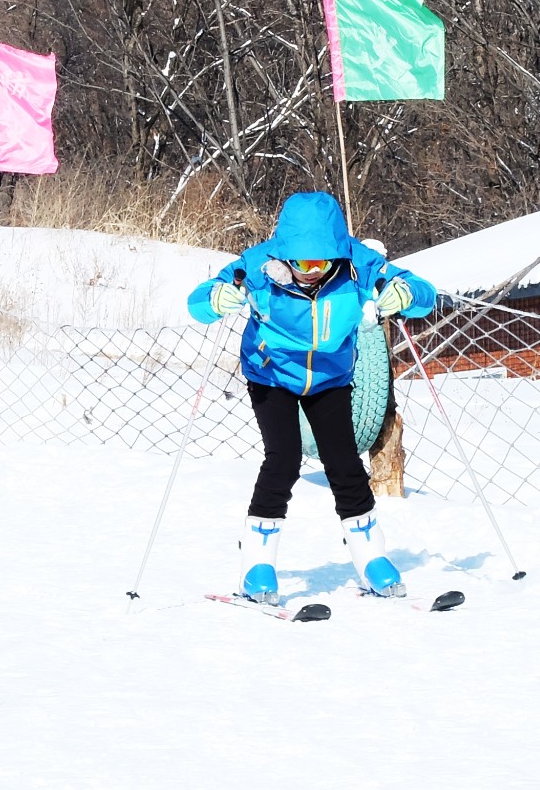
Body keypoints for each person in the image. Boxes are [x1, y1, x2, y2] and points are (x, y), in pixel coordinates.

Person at [186, 191, 437, 601]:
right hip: (271, 375)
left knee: (344, 464)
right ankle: (257, 564)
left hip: (330, 376)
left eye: (321, 263)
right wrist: (216, 298)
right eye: (301, 263)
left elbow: (423, 292)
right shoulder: (258, 265)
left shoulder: (358, 265)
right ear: (285, 253)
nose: (311, 271)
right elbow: (199, 301)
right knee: (282, 460)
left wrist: (406, 294)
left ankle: (371, 557)